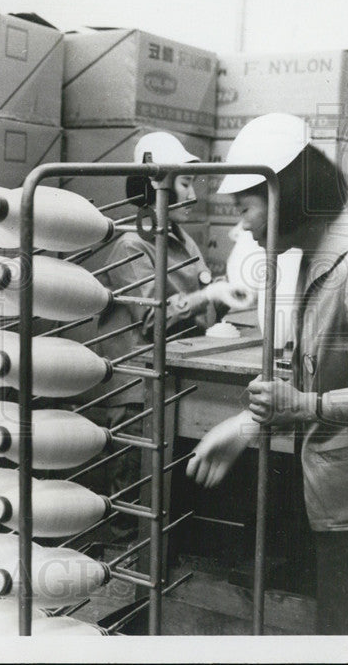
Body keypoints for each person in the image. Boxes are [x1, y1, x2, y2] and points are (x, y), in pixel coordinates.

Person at [185, 112, 348, 635]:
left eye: (245, 207)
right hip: (335, 499)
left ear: (288, 192)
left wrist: (302, 407)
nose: (240, 224)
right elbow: (310, 376)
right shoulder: (313, 260)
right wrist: (245, 426)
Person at [87, 132, 250, 542]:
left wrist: (227, 297)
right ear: (153, 185)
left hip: (171, 380)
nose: (191, 193)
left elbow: (199, 308)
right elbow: (151, 320)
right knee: (135, 496)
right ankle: (126, 579)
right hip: (136, 390)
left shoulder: (182, 241)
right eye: (184, 182)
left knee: (166, 495)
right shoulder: (129, 245)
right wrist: (207, 295)